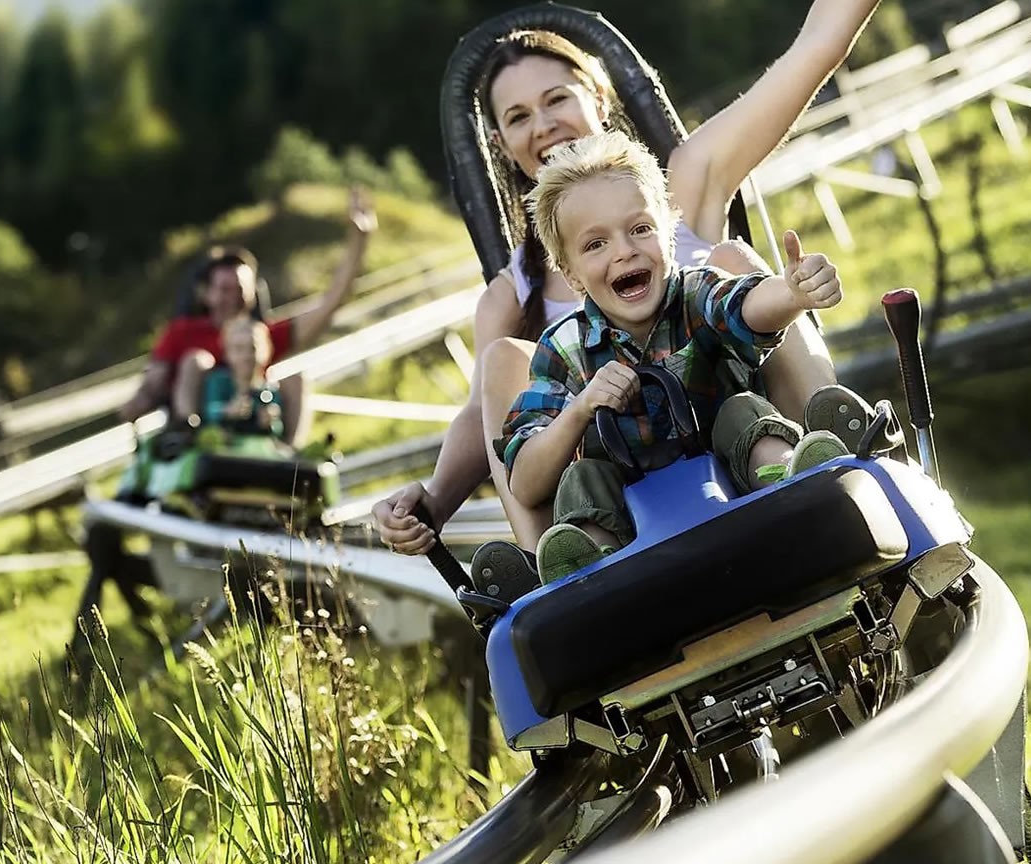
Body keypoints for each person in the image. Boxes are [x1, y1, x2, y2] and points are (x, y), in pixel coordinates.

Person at [374, 1, 880, 559]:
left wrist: (791, 291)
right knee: (500, 360)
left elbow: (816, 47)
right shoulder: (511, 294)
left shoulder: (674, 192)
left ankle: (827, 452)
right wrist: (434, 502)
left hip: (735, 424)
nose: (542, 126)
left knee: (732, 259)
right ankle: (563, 563)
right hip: (613, 484)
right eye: (518, 117)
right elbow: (484, 420)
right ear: (500, 143)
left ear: (597, 97)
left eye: (556, 99)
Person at [503, 132, 848, 583]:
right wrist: (579, 409)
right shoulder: (563, 349)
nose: (624, 251)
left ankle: (789, 476)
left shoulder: (694, 293)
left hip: (735, 485)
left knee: (744, 410)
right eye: (595, 245)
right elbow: (526, 482)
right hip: (631, 531)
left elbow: (741, 305)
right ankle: (589, 563)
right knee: (581, 478)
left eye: (640, 229)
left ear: (668, 234)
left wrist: (791, 292)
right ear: (570, 274)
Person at [119, 188, 378, 446]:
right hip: (204, 432)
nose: (232, 298)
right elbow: (154, 379)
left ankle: (289, 453)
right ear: (206, 294)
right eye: (224, 290)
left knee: (294, 377)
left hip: (254, 429)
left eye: (240, 290)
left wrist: (359, 241)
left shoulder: (262, 336)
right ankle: (192, 434)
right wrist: (141, 400)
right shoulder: (182, 333)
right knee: (196, 361)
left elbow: (330, 304)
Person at [198, 314, 285, 438]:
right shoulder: (218, 381)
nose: (246, 356)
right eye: (239, 349)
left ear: (265, 351)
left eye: (252, 349)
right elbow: (208, 412)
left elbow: (277, 429)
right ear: (227, 353)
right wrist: (227, 411)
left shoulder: (269, 390)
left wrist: (271, 421)